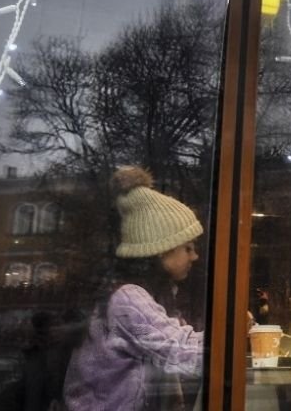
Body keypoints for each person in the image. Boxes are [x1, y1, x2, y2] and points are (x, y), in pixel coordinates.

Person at [64, 166, 205, 411]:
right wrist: (231, 333)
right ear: (161, 249)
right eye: (188, 248)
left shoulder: (144, 294)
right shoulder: (128, 300)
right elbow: (183, 352)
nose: (195, 256)